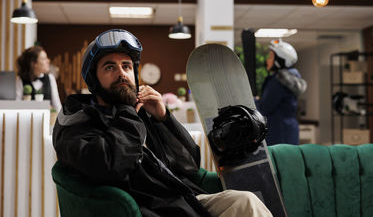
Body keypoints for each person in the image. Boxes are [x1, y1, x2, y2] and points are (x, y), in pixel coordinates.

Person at [52, 29, 272, 217]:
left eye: (127, 66)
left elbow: (189, 164)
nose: (122, 74)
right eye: (110, 67)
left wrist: (163, 118)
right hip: (153, 210)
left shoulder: (136, 112)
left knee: (245, 202)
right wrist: (128, 113)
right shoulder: (79, 122)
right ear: (93, 79)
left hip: (183, 200)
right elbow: (111, 166)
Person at [255, 39, 307, 145]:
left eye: (270, 57)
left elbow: (264, 108)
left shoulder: (278, 81)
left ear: (279, 60)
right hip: (288, 131)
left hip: (277, 133)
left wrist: (254, 100)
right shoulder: (291, 79)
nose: (267, 60)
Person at [16, 45, 62, 112]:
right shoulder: (20, 80)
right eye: (44, 59)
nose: (48, 61)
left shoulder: (50, 78)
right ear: (34, 64)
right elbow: (16, 105)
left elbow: (57, 105)